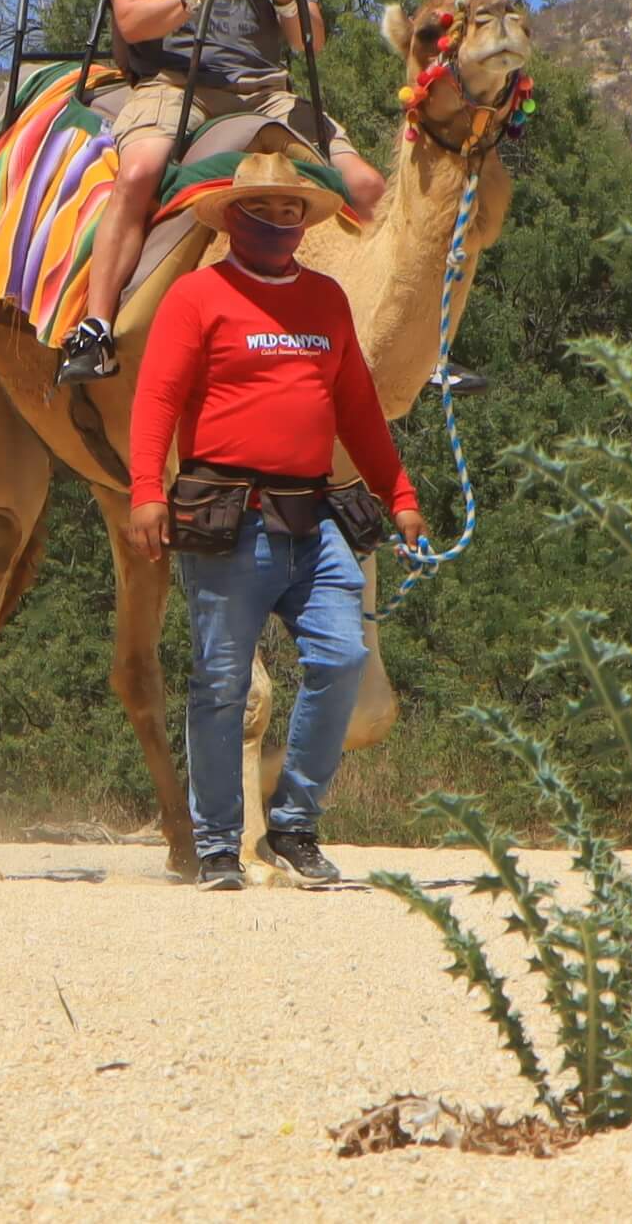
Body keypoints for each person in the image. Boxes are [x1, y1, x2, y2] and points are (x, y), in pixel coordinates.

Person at [126, 151, 426, 890]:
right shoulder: (197, 296)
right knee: (222, 680)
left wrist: (401, 494)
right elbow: (156, 398)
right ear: (235, 217)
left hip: (314, 514)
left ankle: (293, 824)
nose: (281, 220)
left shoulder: (325, 301)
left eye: (292, 209)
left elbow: (356, 407)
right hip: (229, 516)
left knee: (342, 658)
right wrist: (144, 489)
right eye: (266, 208)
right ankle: (219, 843)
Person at [54, 0, 387, 385]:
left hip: (268, 94)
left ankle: (413, 341)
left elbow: (312, 40)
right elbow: (131, 23)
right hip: (176, 88)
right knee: (137, 175)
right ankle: (97, 327)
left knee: (368, 187)